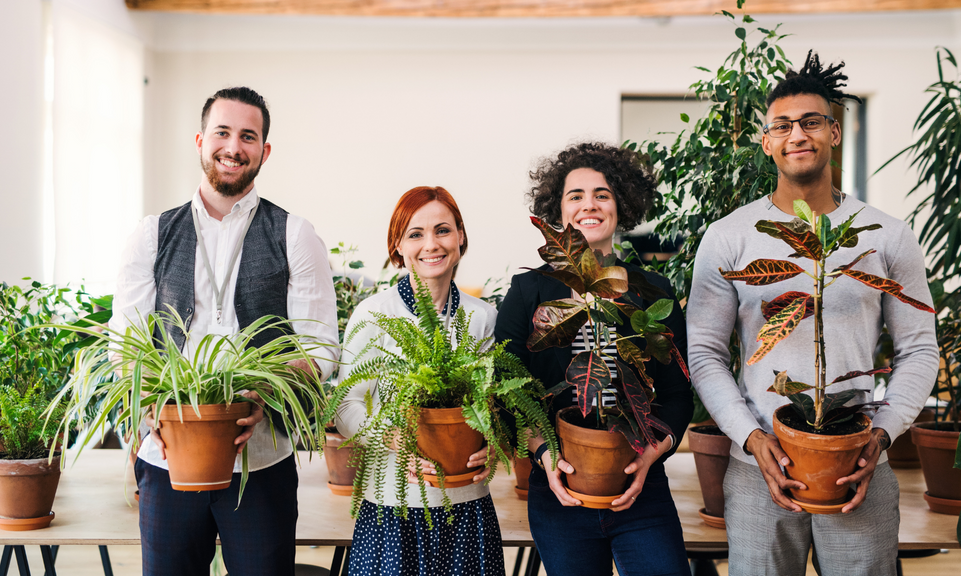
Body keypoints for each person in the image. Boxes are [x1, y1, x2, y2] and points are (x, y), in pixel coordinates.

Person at [686, 51, 940, 576]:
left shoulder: (885, 235)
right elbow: (705, 353)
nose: (796, 134)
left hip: (856, 465)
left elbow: (919, 348)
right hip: (759, 465)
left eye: (810, 122)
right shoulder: (729, 236)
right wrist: (751, 439)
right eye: (782, 125)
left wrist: (882, 434)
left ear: (834, 132)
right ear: (766, 141)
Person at [111, 86, 339, 576]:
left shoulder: (295, 234)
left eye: (248, 136)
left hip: (261, 461)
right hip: (167, 457)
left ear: (264, 150)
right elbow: (125, 344)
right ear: (199, 140)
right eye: (222, 132)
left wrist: (263, 394)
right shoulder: (151, 234)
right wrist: (150, 403)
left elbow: (320, 348)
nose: (233, 147)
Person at [494, 142, 693, 576]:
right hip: (559, 489)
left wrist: (648, 460)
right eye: (576, 196)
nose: (590, 205)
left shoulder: (652, 291)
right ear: (558, 211)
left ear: (621, 205)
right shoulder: (529, 293)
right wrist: (544, 454)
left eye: (602, 194)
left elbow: (678, 396)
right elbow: (507, 388)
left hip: (642, 487)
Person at [336, 186, 504, 576]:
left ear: (460, 237)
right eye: (415, 234)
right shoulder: (374, 312)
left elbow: (497, 403)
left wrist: (495, 441)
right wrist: (393, 437)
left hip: (467, 505)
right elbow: (345, 405)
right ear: (398, 246)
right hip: (392, 510)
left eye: (443, 230)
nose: (431, 244)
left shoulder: (483, 317)